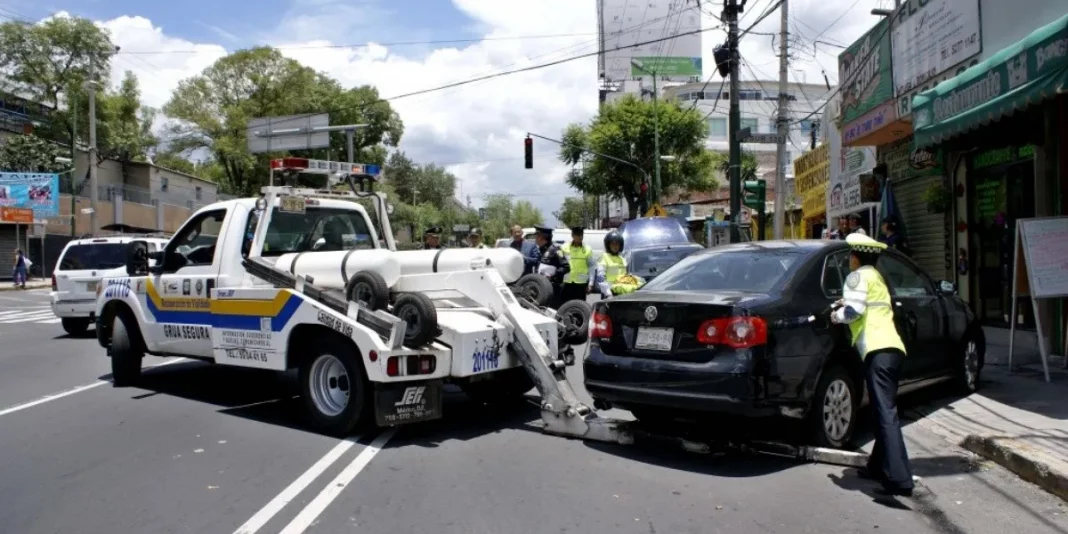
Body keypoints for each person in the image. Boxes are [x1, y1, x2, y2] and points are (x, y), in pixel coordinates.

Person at [831, 233, 914, 497]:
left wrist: (836, 315)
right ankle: (877, 467)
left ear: (856, 257)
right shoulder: (876, 277)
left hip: (877, 351)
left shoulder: (856, 277)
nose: (849, 261)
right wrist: (848, 303)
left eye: (850, 256)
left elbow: (854, 312)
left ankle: (900, 479)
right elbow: (869, 305)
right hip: (893, 350)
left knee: (885, 412)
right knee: (884, 409)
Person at [594, 230, 641, 299]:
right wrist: (608, 293)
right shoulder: (603, 258)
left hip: (622, 293)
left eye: (617, 244)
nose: (615, 246)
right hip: (609, 293)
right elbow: (600, 278)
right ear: (608, 245)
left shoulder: (623, 259)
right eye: (613, 244)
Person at [533, 226, 569, 305]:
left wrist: (553, 276)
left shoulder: (555, 250)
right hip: (541, 287)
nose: (535, 238)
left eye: (537, 236)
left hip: (553, 288)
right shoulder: (540, 250)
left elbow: (566, 267)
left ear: (543, 237)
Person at [559, 226, 595, 304]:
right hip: (566, 283)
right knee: (564, 306)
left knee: (579, 307)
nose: (580, 237)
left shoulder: (588, 249)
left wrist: (591, 283)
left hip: (581, 285)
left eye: (581, 234)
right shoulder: (564, 247)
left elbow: (591, 266)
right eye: (578, 234)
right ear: (572, 235)